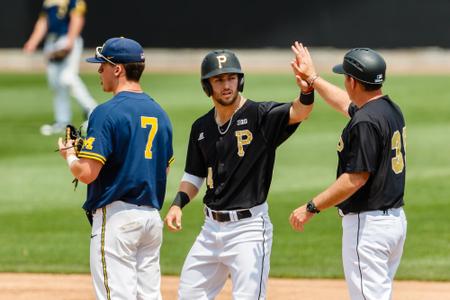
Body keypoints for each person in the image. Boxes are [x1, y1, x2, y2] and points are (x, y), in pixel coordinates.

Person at [164, 45, 314, 299]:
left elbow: (300, 111)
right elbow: (194, 174)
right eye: (219, 79)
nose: (226, 85)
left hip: (249, 230)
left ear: (240, 80)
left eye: (231, 78)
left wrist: (307, 89)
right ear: (207, 86)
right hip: (210, 229)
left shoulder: (260, 115)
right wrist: (178, 204)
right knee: (188, 294)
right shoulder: (201, 127)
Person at [289, 42, 407, 300]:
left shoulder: (365, 121)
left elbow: (355, 178)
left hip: (369, 228)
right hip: (394, 224)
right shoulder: (389, 110)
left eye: (345, 76)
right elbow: (346, 104)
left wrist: (311, 207)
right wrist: (313, 78)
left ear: (353, 82)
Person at [58, 37, 173, 300]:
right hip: (151, 222)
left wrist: (70, 156)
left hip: (118, 221)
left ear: (118, 69)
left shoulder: (105, 113)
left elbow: (87, 173)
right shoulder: (160, 113)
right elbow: (162, 171)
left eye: (103, 65)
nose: (99, 71)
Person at [24, 0, 97, 136]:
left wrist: (70, 39)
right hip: (52, 41)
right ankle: (62, 121)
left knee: (67, 78)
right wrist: (33, 41)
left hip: (67, 39)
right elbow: (43, 22)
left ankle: (93, 109)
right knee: (55, 83)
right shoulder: (49, 1)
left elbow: (77, 18)